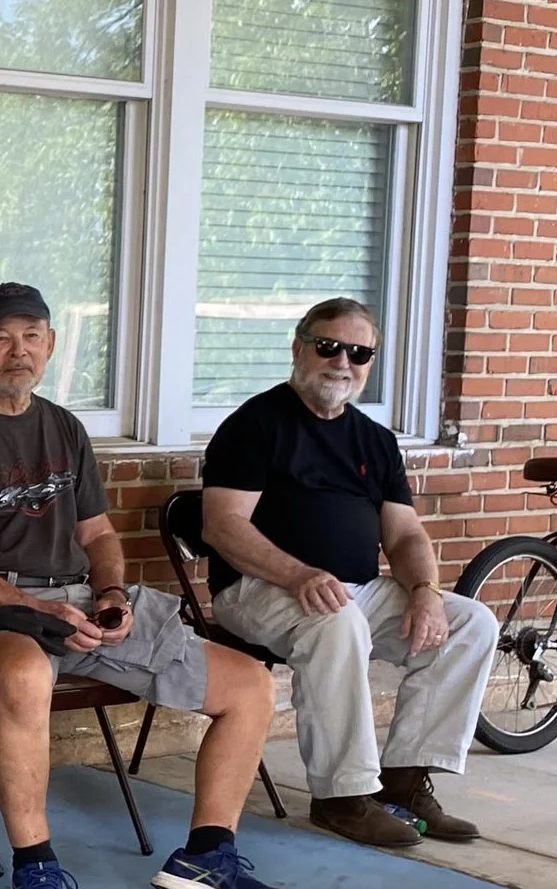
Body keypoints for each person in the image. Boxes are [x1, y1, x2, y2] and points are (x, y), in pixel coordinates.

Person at [0, 283, 287, 889]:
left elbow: (99, 538)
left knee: (249, 684)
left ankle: (206, 855)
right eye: (0, 338)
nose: (17, 351)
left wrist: (110, 596)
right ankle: (35, 867)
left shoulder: (65, 428)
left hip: (76, 604)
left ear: (50, 346)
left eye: (31, 336)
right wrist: (32, 606)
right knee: (25, 677)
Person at [202, 297, 496, 848]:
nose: (343, 361)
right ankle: (342, 796)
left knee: (471, 623)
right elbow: (222, 527)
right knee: (336, 623)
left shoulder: (375, 441)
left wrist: (426, 592)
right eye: (329, 346)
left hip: (355, 590)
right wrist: (297, 575)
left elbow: (405, 534)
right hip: (258, 588)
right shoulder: (255, 426)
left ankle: (405, 782)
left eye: (359, 353)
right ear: (299, 348)